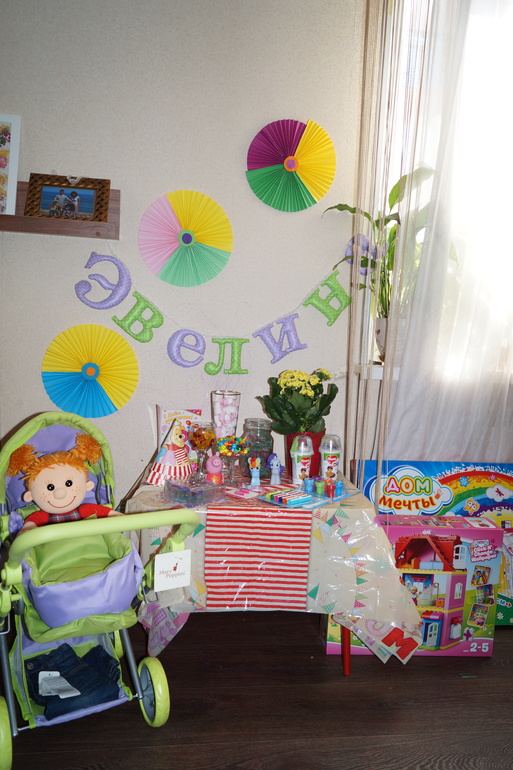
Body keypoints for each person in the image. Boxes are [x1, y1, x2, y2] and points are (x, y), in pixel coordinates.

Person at [7, 432, 123, 531]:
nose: (60, 493)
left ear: (88, 486)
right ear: (30, 496)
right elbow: (29, 528)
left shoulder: (86, 510)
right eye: (50, 487)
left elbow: (109, 514)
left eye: (68, 484)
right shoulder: (40, 517)